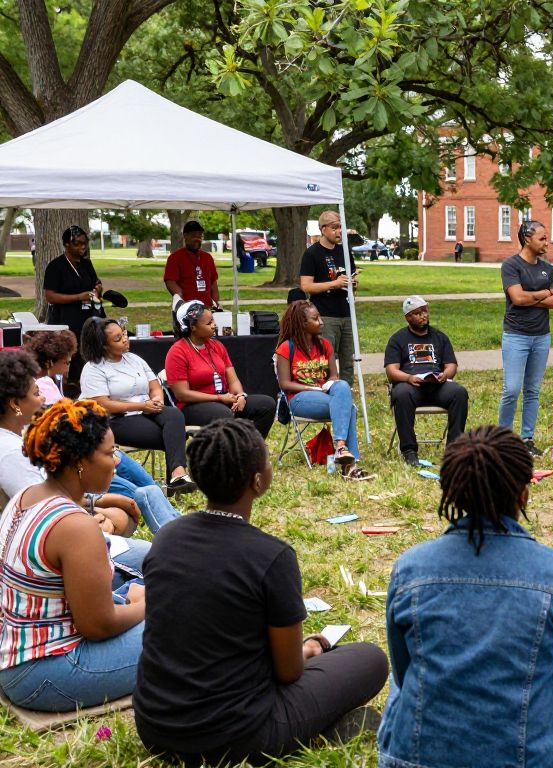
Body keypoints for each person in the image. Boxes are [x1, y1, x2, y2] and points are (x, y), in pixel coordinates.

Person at [134, 419, 388, 766]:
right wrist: (312, 647)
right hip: (239, 737)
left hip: (156, 728)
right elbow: (288, 673)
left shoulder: (167, 537)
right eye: (267, 461)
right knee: (370, 659)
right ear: (257, 481)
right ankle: (321, 730)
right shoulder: (272, 556)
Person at [377, 426, 553, 768]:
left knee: (410, 680)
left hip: (413, 759)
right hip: (531, 758)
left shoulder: (410, 568)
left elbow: (402, 670)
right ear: (524, 494)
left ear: (452, 494)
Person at [0, 399, 146, 712]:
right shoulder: (75, 525)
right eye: (109, 453)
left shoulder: (26, 498)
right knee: (185, 620)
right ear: (79, 460)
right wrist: (148, 606)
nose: (117, 461)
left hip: (19, 657)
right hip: (49, 674)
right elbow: (98, 625)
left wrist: (129, 598)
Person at [0, 349, 179, 534]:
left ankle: (175, 530)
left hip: (73, 511)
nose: (43, 398)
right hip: (64, 535)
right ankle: (177, 538)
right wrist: (94, 517)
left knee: (140, 495)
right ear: (15, 404)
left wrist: (96, 503)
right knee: (138, 500)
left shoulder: (21, 433)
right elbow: (43, 513)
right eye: (36, 393)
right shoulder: (12, 453)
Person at [78, 317, 196, 496]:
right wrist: (141, 405)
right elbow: (102, 404)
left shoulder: (134, 359)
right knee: (173, 436)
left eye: (124, 334)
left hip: (147, 410)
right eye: (117, 339)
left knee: (174, 415)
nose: (125, 339)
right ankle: (175, 479)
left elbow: (154, 385)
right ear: (103, 345)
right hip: (117, 419)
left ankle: (177, 474)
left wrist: (156, 399)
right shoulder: (93, 369)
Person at [276, 300, 374, 480]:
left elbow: (334, 377)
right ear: (302, 324)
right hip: (299, 398)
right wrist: (311, 387)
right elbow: (285, 384)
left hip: (324, 394)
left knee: (343, 387)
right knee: (348, 408)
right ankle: (348, 461)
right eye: (315, 319)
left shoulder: (324, 345)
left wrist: (327, 385)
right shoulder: (286, 348)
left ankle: (343, 454)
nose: (321, 322)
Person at [498, 220, 553, 457]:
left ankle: (527, 439)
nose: (547, 242)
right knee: (512, 389)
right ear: (527, 238)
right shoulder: (511, 265)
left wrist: (532, 296)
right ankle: (503, 439)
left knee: (532, 390)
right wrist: (544, 293)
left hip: (541, 337)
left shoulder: (548, 269)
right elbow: (517, 299)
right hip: (516, 336)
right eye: (543, 238)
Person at [165, 300, 276, 437]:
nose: (214, 325)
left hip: (225, 399)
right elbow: (182, 394)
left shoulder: (217, 346)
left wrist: (240, 395)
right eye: (208, 323)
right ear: (192, 327)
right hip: (192, 406)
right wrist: (218, 398)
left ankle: (250, 450)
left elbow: (233, 380)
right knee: (223, 414)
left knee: (266, 404)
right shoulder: (178, 351)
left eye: (213, 321)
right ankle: (231, 453)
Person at [384, 296, 469, 467]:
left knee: (459, 393)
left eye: (425, 311)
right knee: (400, 394)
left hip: (437, 385)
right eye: (417, 313)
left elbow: (451, 365)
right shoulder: (397, 339)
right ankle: (409, 451)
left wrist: (446, 375)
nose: (423, 315)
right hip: (411, 386)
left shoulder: (440, 337)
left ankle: (454, 450)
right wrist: (408, 378)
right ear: (408, 317)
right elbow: (391, 371)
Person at [42, 225, 104, 391]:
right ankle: (67, 387)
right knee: (70, 353)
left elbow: (96, 282)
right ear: (66, 244)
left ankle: (86, 384)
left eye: (84, 243)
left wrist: (98, 289)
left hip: (87, 317)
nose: (82, 247)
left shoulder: (86, 264)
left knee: (88, 351)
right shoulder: (56, 266)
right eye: (77, 244)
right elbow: (50, 296)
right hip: (65, 319)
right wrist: (78, 297)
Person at [299, 210, 358, 385]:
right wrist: (334, 284)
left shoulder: (344, 251)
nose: (339, 231)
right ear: (323, 229)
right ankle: (325, 392)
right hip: (325, 315)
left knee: (348, 360)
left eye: (340, 227)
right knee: (326, 359)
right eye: (334, 227)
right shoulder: (312, 253)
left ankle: (346, 393)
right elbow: (306, 286)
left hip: (346, 313)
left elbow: (352, 277)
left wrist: (353, 284)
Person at [163, 220, 220, 308]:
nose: (197, 239)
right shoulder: (175, 257)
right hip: (187, 308)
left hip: (207, 307)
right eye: (193, 235)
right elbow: (170, 281)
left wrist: (216, 302)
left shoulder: (207, 257)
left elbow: (213, 281)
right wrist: (181, 300)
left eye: (200, 236)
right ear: (185, 236)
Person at [23, 329, 77, 405]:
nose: (67, 369)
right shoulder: (46, 386)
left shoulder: (31, 381)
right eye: (66, 363)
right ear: (49, 363)